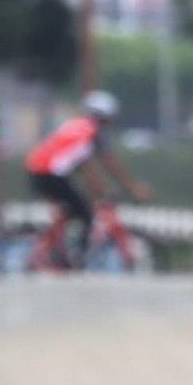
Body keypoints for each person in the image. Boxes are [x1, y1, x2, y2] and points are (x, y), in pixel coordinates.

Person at [25, 91, 152, 266]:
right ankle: (77, 255)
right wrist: (132, 187)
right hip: (50, 176)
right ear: (105, 117)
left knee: (71, 209)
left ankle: (55, 249)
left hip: (38, 173)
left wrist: (98, 188)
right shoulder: (92, 132)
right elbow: (109, 164)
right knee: (86, 214)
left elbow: (84, 166)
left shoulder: (74, 126)